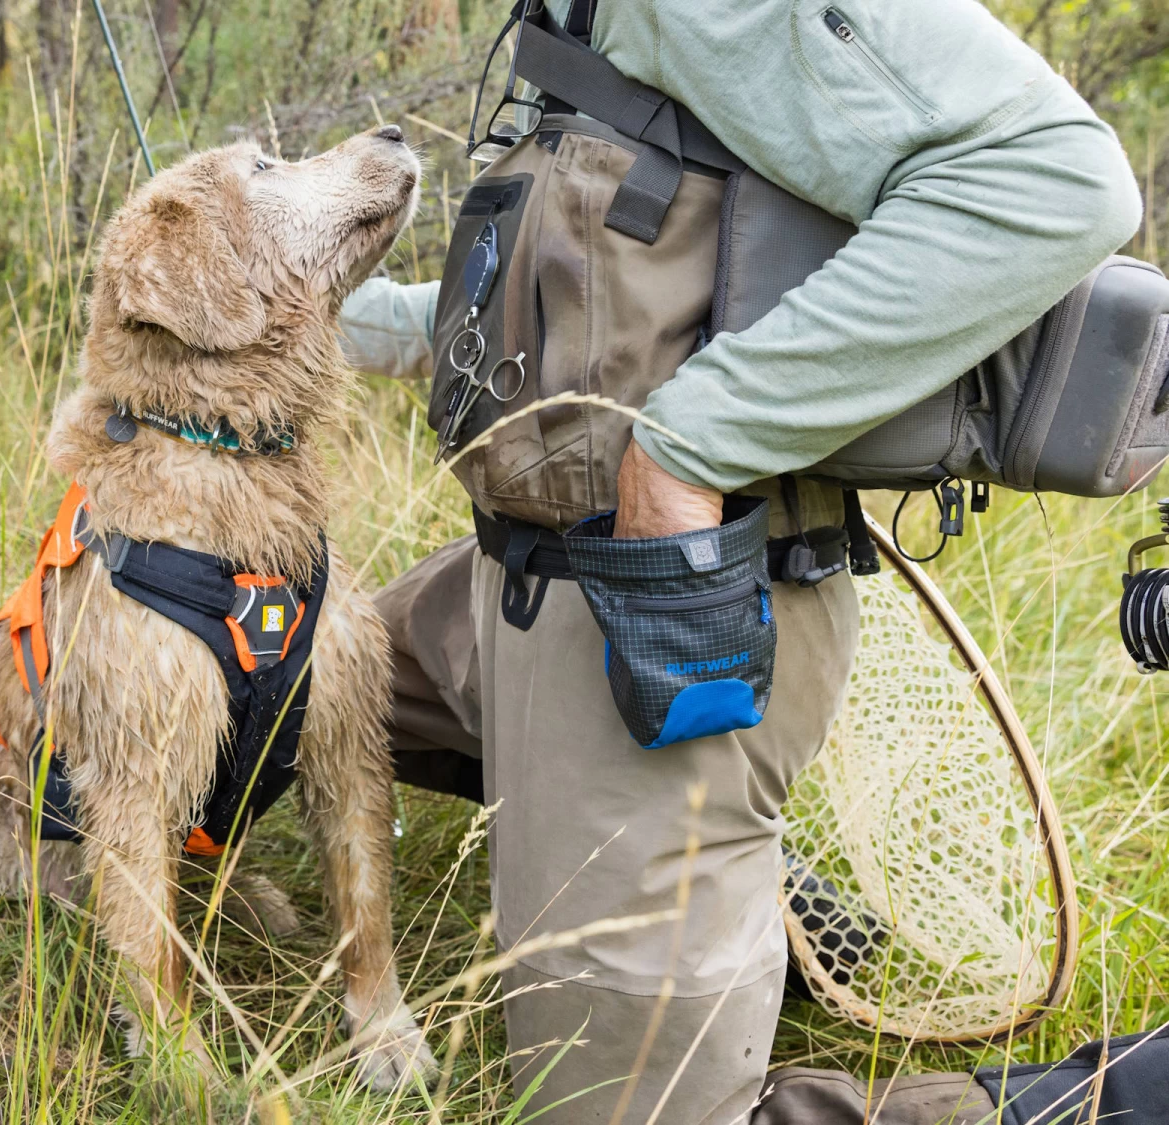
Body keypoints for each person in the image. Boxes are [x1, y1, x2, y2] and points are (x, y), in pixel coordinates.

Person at [340, 1, 1143, 1122]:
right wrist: (305, 314)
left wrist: (690, 445)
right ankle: (773, 913)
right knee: (321, 680)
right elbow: (585, 304)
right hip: (523, 588)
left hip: (661, 614)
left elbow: (1053, 182)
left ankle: (1111, 1100)